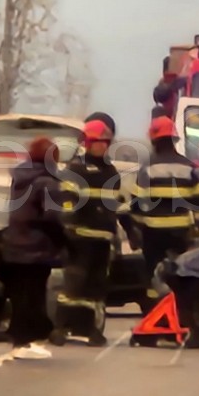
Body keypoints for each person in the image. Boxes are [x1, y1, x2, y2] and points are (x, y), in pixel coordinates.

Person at [51, 119, 132, 347]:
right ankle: (61, 327)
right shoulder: (76, 169)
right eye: (99, 142)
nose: (103, 146)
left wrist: (131, 231)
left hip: (103, 238)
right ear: (88, 143)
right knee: (74, 285)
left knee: (96, 288)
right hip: (80, 237)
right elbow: (66, 201)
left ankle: (91, 330)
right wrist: (68, 227)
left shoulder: (111, 171)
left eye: (106, 142)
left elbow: (119, 204)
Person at [0, 136, 67, 360]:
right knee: (34, 294)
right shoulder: (48, 182)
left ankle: (20, 340)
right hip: (37, 246)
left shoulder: (19, 179)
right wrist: (64, 241)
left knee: (20, 295)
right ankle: (25, 342)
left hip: (14, 243)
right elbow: (51, 217)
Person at [130, 116, 199, 285]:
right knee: (181, 274)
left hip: (153, 233)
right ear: (173, 139)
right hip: (181, 232)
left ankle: (156, 306)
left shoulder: (147, 167)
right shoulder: (188, 167)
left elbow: (137, 204)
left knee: (154, 276)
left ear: (154, 140)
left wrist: (135, 231)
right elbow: (198, 203)